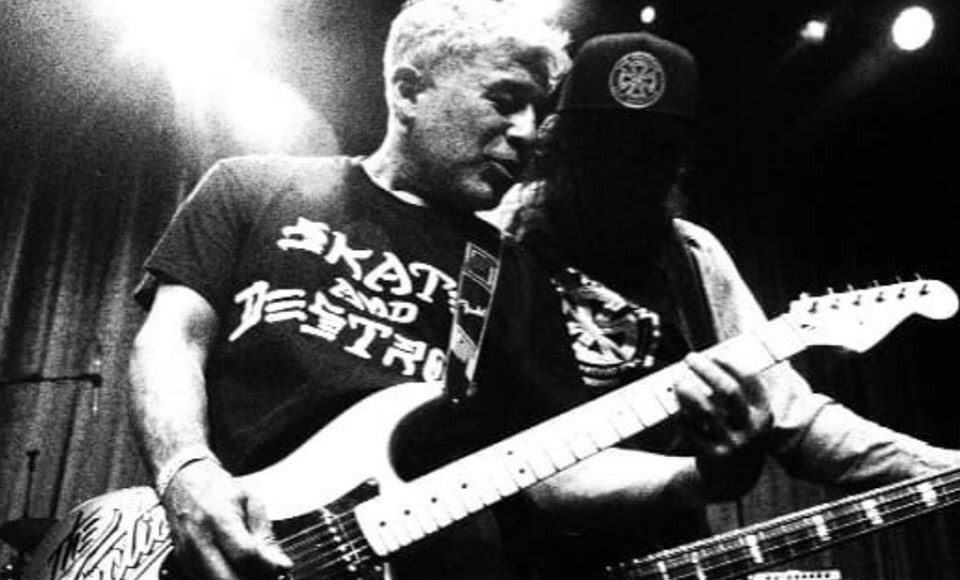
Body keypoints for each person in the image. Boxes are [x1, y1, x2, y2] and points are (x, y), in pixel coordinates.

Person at [128, 6, 773, 580]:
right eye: (505, 99)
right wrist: (186, 471)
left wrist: (703, 476)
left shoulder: (511, 272)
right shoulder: (252, 187)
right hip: (240, 545)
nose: (528, 132)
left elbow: (557, 471)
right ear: (409, 90)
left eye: (539, 111)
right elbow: (172, 340)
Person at [485, 31, 960, 578]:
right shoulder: (487, 243)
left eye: (655, 153)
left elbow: (794, 419)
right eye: (608, 144)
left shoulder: (691, 258)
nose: (628, 171)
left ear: (679, 163)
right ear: (560, 143)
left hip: (666, 559)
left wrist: (940, 467)